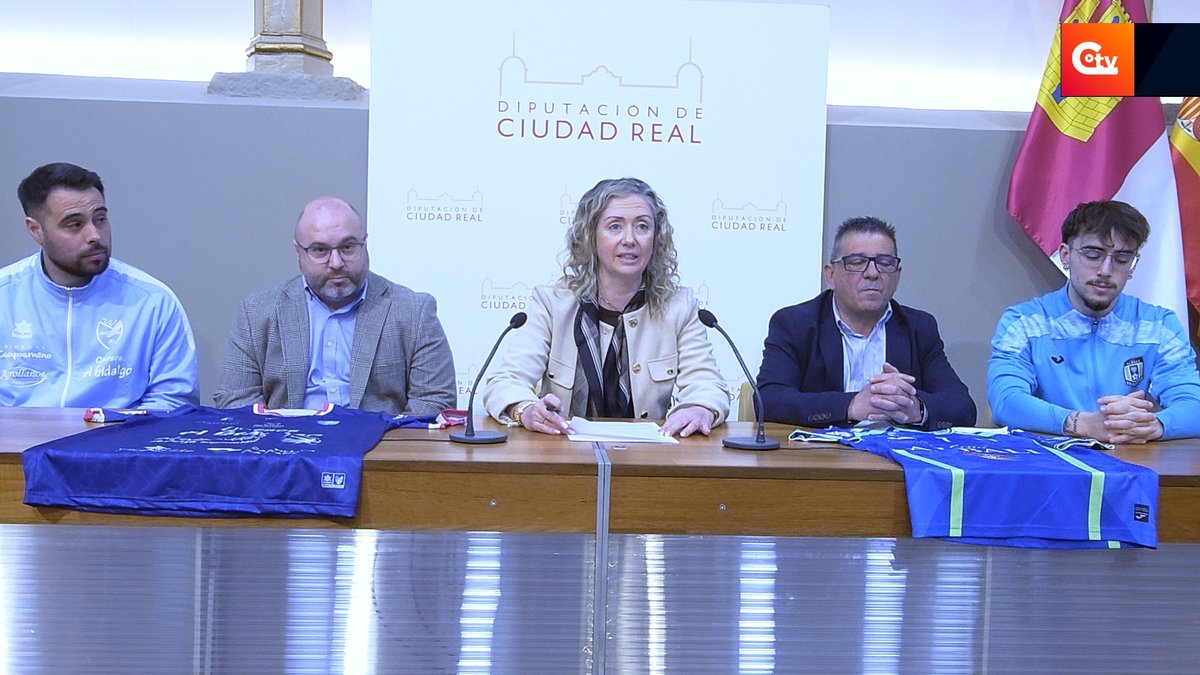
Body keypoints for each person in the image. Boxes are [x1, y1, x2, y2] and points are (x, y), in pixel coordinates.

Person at [482, 177, 730, 437]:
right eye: (614, 227)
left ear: (656, 238)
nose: (629, 239)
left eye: (642, 226)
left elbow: (708, 385)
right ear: (591, 236)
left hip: (649, 455)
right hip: (562, 450)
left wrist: (699, 408)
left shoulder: (679, 307)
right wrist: (525, 410)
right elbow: (506, 382)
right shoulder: (552, 304)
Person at [213, 196, 455, 415]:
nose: (336, 263)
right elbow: (235, 399)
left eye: (348, 247)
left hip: (379, 446)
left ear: (365, 244)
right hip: (286, 446)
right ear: (298, 252)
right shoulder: (257, 313)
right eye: (320, 250)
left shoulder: (413, 311)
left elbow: (434, 401)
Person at [989, 200, 1200, 443]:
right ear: (1066, 255)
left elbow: (1194, 405)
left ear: (1133, 265)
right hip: (1050, 459)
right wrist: (1081, 424)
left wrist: (1154, 425)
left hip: (1131, 458)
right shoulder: (1024, 323)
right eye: (1093, 254)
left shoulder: (1159, 325)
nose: (1106, 270)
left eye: (1122, 258)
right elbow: (1005, 402)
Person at [0, 162, 198, 409]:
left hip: (119, 434)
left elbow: (174, 400)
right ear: (36, 230)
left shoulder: (153, 302)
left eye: (100, 219)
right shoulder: (5, 295)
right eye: (75, 224)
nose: (94, 235)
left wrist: (112, 429)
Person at [756, 216, 975, 429]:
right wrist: (851, 405)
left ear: (897, 275)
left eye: (885, 263)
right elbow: (769, 400)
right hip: (823, 451)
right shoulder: (794, 324)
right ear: (830, 275)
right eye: (857, 262)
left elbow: (962, 406)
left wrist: (915, 408)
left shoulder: (919, 328)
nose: (872, 273)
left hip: (894, 452)